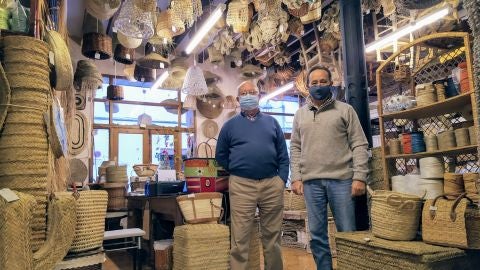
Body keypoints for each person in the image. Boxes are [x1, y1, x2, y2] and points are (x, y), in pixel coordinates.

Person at [290, 66, 369, 270]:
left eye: (322, 82)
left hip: (342, 180)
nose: (318, 86)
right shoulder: (300, 115)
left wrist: (360, 177)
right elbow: (295, 148)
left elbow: (360, 144)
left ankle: (349, 267)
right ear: (307, 86)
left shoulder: (345, 110)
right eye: (314, 83)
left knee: (347, 234)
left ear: (330, 83)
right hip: (311, 183)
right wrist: (296, 177)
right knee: (316, 236)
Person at [216, 80, 289, 270]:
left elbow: (283, 155)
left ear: (258, 95)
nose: (249, 95)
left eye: (252, 92)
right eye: (244, 93)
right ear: (239, 99)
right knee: (240, 239)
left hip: (272, 184)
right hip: (241, 185)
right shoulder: (229, 126)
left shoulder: (272, 123)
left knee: (273, 238)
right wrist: (238, 169)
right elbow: (220, 155)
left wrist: (281, 179)